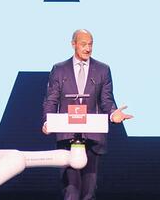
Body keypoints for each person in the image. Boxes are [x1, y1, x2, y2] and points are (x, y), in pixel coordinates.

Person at [42, 29, 133, 200]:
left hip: (93, 137)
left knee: (89, 193)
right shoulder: (59, 69)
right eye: (83, 44)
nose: (88, 48)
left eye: (90, 44)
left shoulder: (102, 69)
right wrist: (48, 121)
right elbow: (51, 100)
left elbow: (106, 100)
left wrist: (113, 114)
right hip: (67, 137)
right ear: (73, 44)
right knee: (71, 191)